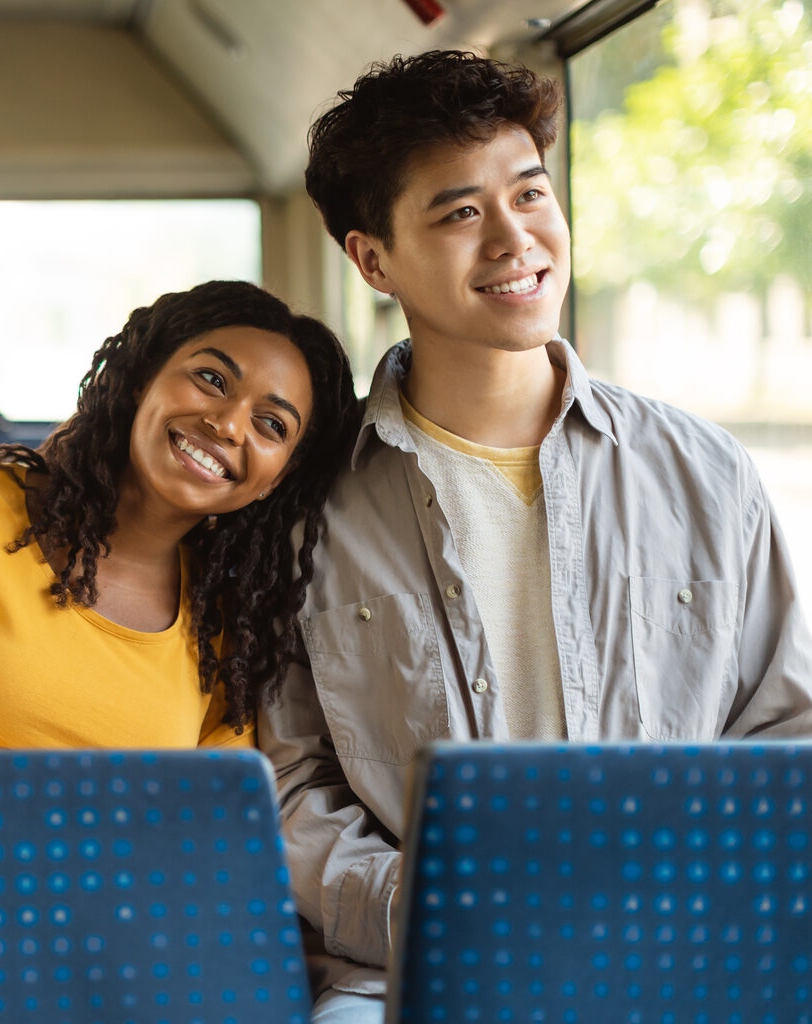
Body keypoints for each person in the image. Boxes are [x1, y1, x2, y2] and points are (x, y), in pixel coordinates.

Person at [264, 50, 812, 1022]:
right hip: (404, 968)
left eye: (530, 193)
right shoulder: (304, 501)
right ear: (372, 259)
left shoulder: (706, 471)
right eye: (460, 211)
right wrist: (443, 913)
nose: (516, 239)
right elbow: (291, 778)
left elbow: (784, 734)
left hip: (675, 948)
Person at [0, 280, 360, 749]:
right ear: (144, 378)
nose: (229, 424)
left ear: (277, 477)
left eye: (271, 424)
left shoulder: (229, 630)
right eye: (211, 379)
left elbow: (199, 830)